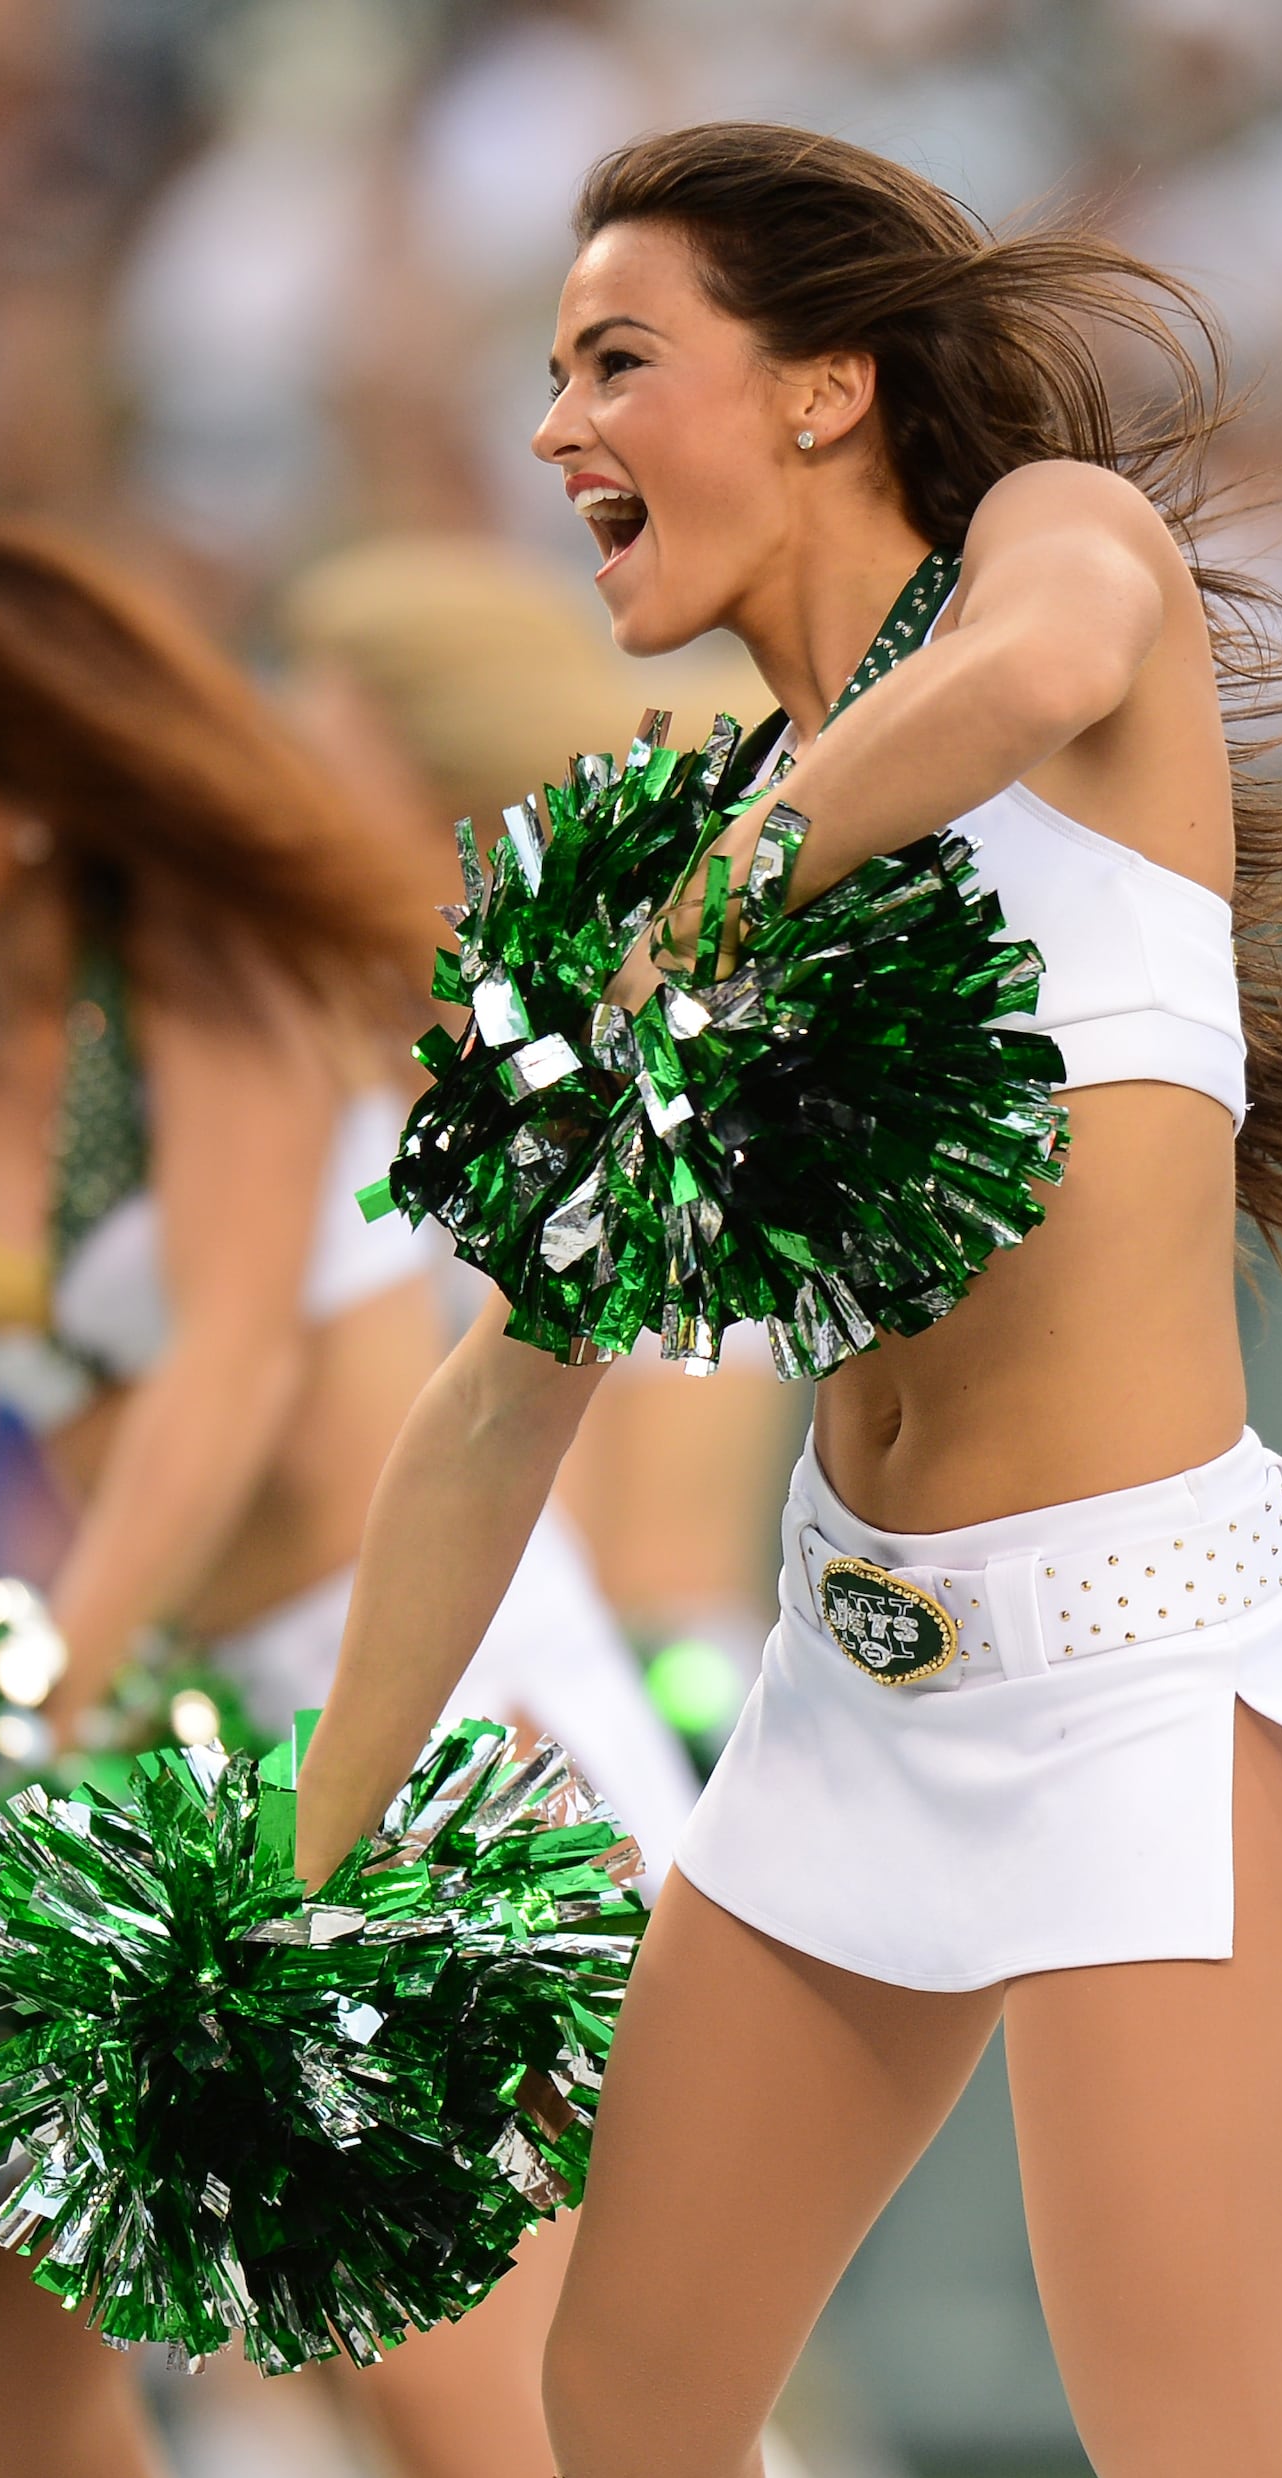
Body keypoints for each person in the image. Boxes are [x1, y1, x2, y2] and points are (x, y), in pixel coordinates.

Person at [289, 122, 1282, 2478]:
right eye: (545, 374)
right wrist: (301, 1870)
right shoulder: (688, 829)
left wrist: (717, 891)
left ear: (822, 390)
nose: (554, 432)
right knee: (623, 2417)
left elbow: (1029, 671)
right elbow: (500, 1399)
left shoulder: (1049, 558)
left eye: (618, 359)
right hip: (849, 1683)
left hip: (1141, 1666)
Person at [0, 520, 696, 2478]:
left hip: (432, 1716)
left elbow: (216, 1396)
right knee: (3, 2336)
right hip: (177, 1737)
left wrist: (41, 1713)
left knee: (493, 2440)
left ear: (17, 792)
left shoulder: (208, 989)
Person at [280, 535, 804, 1746]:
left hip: (575, 1785)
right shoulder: (314, 1086)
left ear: (446, 802)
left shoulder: (633, 1088)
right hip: (364, 1734)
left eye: (317, 781)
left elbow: (664, 1574)